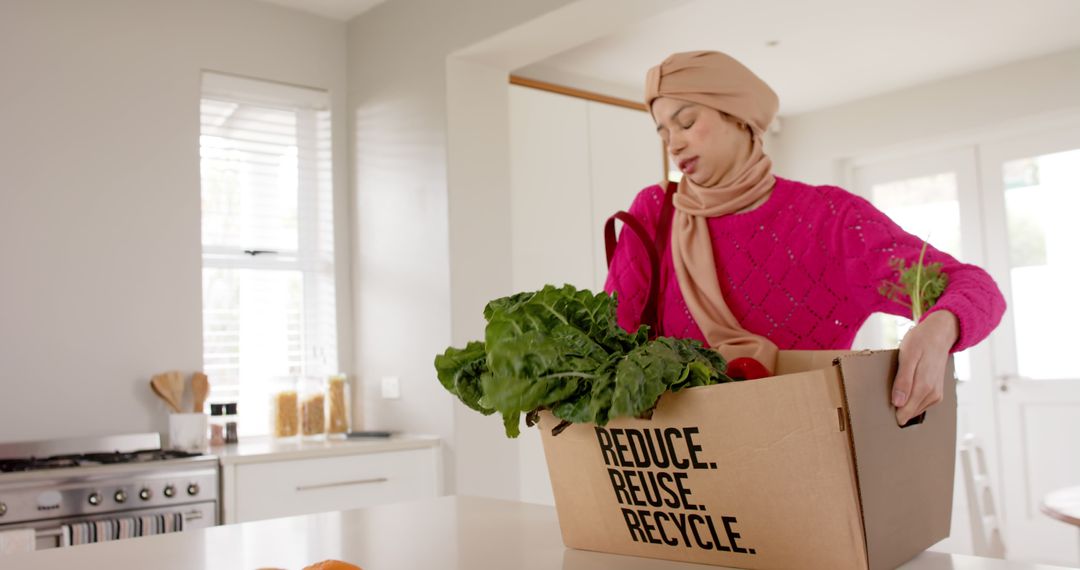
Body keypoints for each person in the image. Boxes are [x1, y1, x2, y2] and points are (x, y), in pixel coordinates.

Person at [605, 51, 1006, 426]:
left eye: (687, 122)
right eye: (663, 131)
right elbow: (609, 343)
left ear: (740, 116)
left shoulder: (832, 219)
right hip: (683, 472)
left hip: (809, 461)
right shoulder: (656, 212)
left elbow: (974, 286)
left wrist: (937, 329)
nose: (674, 143)